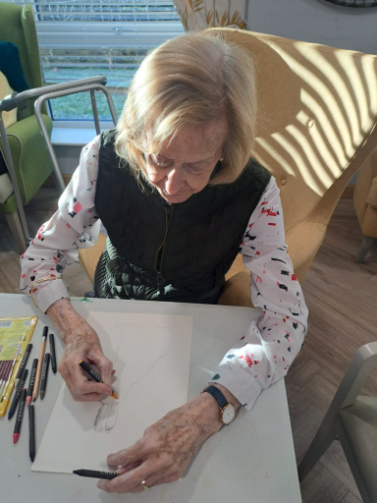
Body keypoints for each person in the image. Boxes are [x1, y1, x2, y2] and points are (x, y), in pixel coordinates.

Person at [20, 30, 308, 494]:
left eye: (197, 165)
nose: (172, 185)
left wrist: (207, 412)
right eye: (158, 158)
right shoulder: (104, 157)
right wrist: (75, 330)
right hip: (109, 315)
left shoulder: (256, 191)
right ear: (136, 133)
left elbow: (287, 320)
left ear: (226, 149)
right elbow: (39, 257)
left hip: (198, 319)